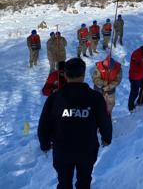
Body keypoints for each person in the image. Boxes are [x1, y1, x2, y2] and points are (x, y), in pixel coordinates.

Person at [38, 58, 112, 189]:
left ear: (65, 75)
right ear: (83, 75)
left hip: (62, 150)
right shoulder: (95, 97)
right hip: (87, 150)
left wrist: (45, 144)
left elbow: (44, 124)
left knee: (64, 182)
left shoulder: (55, 98)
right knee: (84, 181)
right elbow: (105, 121)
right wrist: (106, 138)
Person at [128, 44, 143, 112]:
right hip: (134, 76)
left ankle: (140, 101)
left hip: (142, 75)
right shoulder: (136, 54)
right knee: (134, 92)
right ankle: (131, 107)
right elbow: (134, 67)